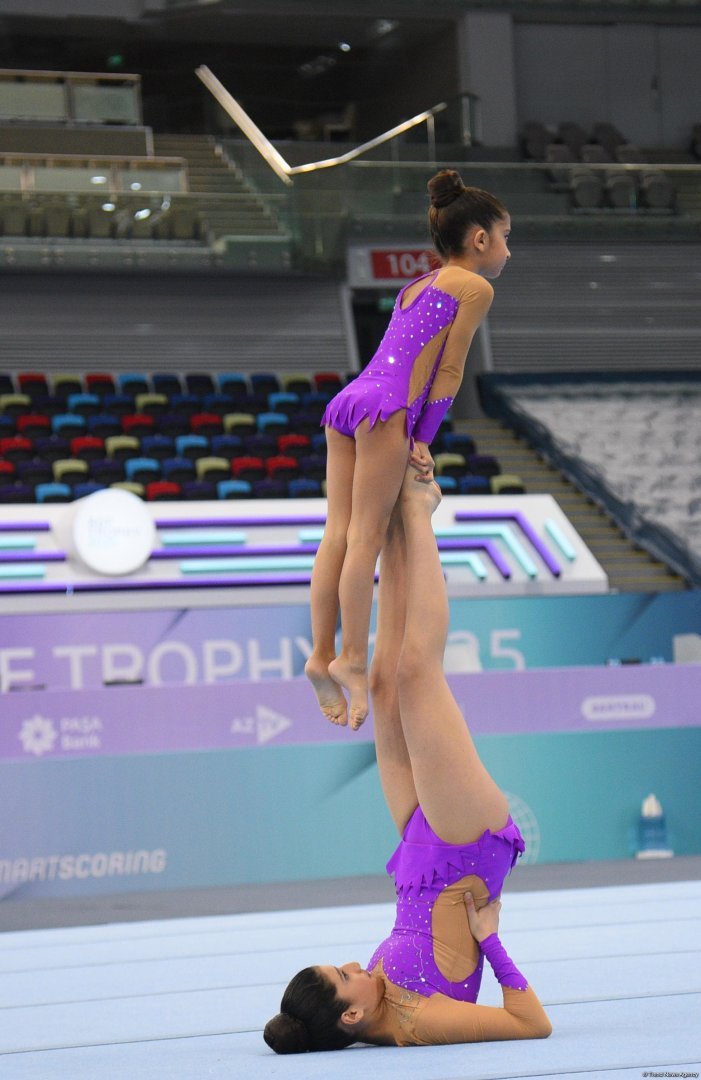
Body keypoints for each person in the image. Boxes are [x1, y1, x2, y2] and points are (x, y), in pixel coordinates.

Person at [264, 463, 551, 1054]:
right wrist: (489, 940)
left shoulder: (372, 993)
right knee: (420, 674)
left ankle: (394, 521)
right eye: (343, 977)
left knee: (386, 681)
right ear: (350, 1018)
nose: (349, 963)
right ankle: (419, 512)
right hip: (466, 845)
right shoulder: (419, 1023)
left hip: (418, 846)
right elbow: (531, 1024)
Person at [305, 168, 511, 730]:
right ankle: (350, 658)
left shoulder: (414, 285)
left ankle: (320, 652)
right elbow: (448, 370)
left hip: (349, 401)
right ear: (479, 239)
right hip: (388, 409)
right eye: (505, 237)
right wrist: (422, 438)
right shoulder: (475, 286)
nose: (507, 251)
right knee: (366, 537)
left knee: (338, 532)